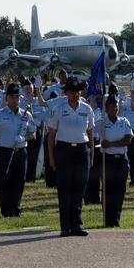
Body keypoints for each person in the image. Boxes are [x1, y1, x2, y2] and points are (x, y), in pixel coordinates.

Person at [46, 76, 95, 236]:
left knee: (79, 189)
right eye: (72, 91)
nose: (76, 94)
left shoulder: (87, 109)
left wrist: (92, 156)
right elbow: (51, 136)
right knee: (65, 190)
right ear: (66, 92)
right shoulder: (59, 109)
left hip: (82, 152)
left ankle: (77, 225)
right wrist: (52, 157)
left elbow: (91, 134)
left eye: (78, 91)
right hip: (64, 151)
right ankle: (65, 226)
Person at [0, 82, 37, 217]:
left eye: (16, 97)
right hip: (4, 151)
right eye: (11, 97)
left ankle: (15, 208)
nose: (14, 100)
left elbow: (33, 133)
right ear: (6, 98)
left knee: (19, 181)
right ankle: (6, 210)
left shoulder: (25, 115)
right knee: (5, 181)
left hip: (20, 152)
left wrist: (24, 138)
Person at [101, 94, 133, 227]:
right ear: (106, 108)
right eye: (112, 107)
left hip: (121, 160)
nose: (115, 109)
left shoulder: (124, 121)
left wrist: (111, 144)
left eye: (116, 106)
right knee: (108, 190)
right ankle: (108, 219)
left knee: (119, 191)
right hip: (107, 160)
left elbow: (128, 140)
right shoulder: (102, 123)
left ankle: (116, 219)